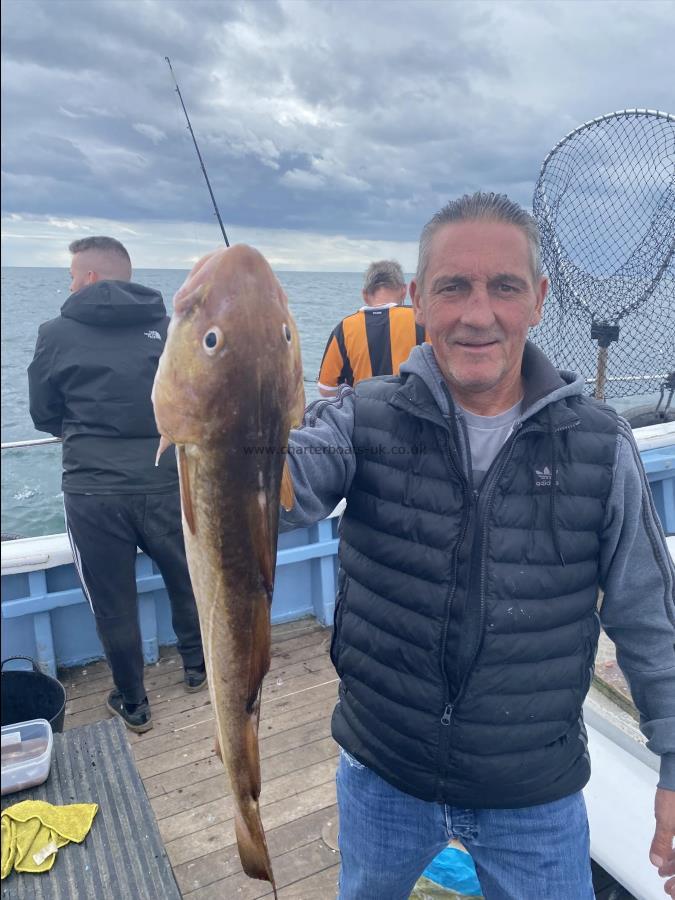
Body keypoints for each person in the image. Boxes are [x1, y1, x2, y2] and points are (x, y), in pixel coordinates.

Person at [281, 194, 675, 899]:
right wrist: (214, 391)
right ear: (417, 302)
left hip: (534, 787)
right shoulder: (360, 419)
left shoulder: (597, 444)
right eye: (452, 286)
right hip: (383, 770)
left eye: (504, 286)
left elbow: (647, 616)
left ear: (538, 300)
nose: (476, 313)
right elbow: (274, 496)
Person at [28, 236, 206, 734]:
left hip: (92, 491)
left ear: (87, 277)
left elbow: (44, 413)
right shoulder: (170, 329)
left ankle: (134, 702)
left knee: (112, 601)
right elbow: (193, 401)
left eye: (69, 275)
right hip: (167, 479)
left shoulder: (54, 332)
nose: (68, 283)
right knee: (185, 578)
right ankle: (197, 669)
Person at [317, 259, 425, 397]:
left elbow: (326, 388)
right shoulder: (421, 319)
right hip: (413, 415)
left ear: (365, 295)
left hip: (363, 414)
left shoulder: (345, 327)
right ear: (404, 291)